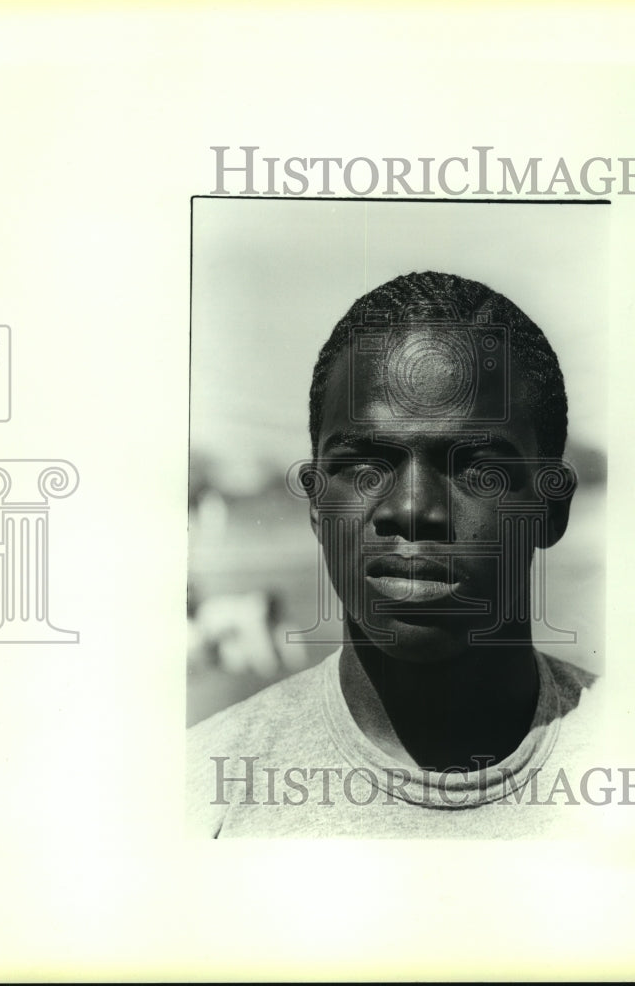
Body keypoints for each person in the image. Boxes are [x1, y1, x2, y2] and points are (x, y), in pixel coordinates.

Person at [186, 271, 602, 837]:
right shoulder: (200, 795)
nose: (413, 509)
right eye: (366, 466)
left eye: (476, 468)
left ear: (551, 509)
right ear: (316, 505)